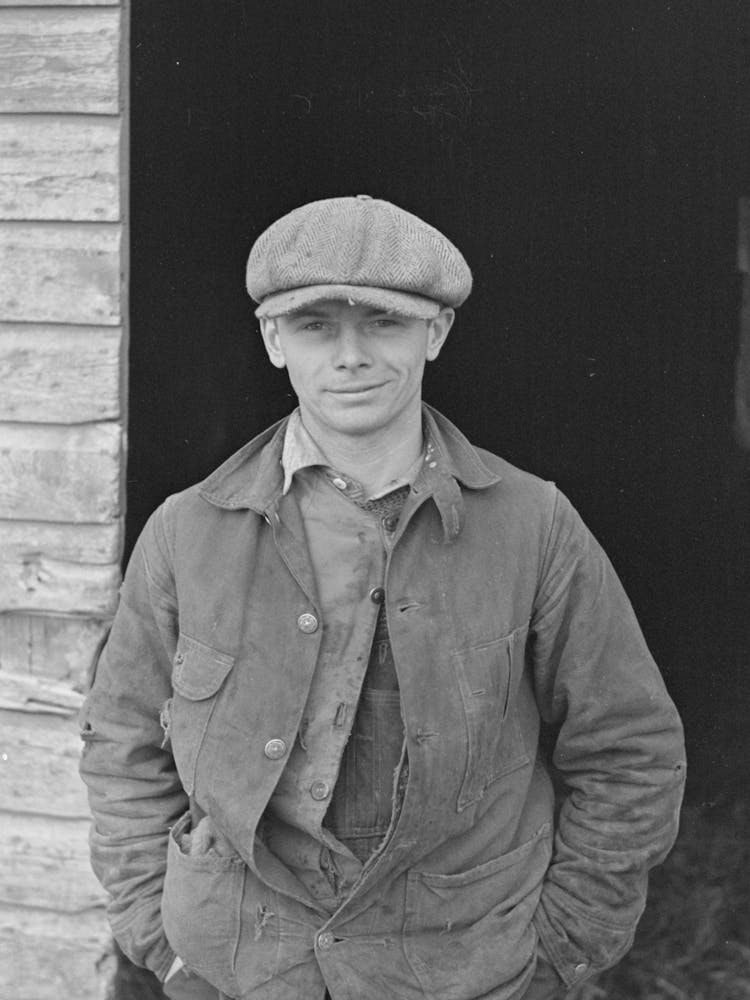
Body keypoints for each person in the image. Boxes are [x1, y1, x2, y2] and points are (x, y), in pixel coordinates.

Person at [79, 195, 686, 1000]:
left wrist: (558, 953)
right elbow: (120, 742)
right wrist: (161, 938)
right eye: (317, 326)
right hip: (236, 967)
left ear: (436, 332)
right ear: (272, 340)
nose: (351, 356)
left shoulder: (535, 526)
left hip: (462, 969)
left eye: (385, 324)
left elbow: (630, 752)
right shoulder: (186, 532)